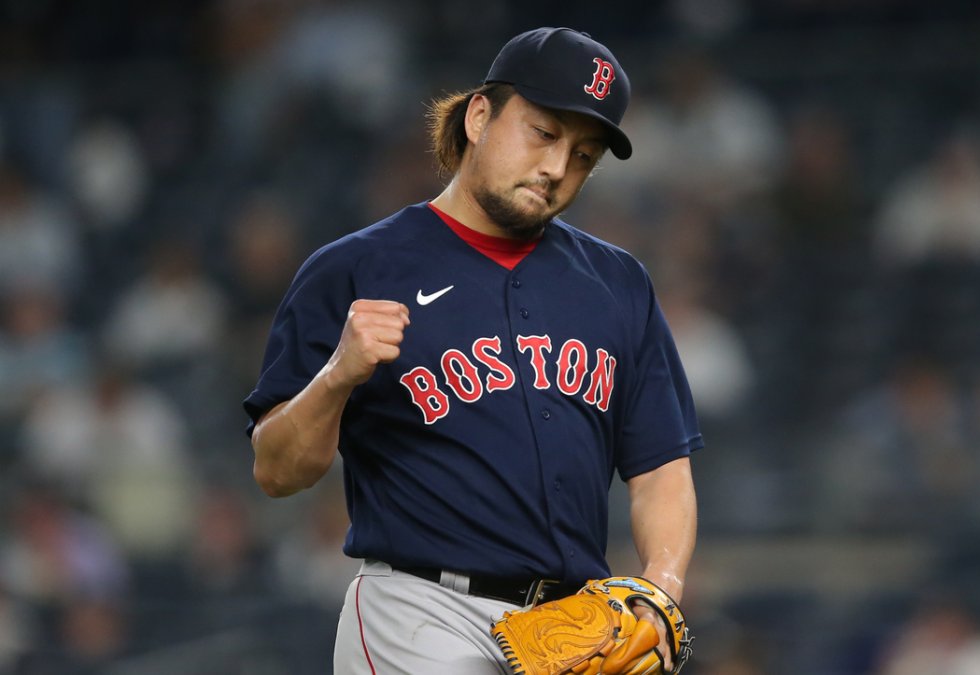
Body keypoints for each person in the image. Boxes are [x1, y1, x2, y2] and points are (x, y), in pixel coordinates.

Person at [243, 27, 701, 674]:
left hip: (571, 628)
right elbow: (276, 469)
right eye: (544, 133)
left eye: (584, 154)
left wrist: (661, 589)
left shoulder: (619, 284)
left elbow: (661, 469)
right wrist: (338, 376)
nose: (557, 167)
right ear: (480, 115)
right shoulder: (355, 268)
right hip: (422, 611)